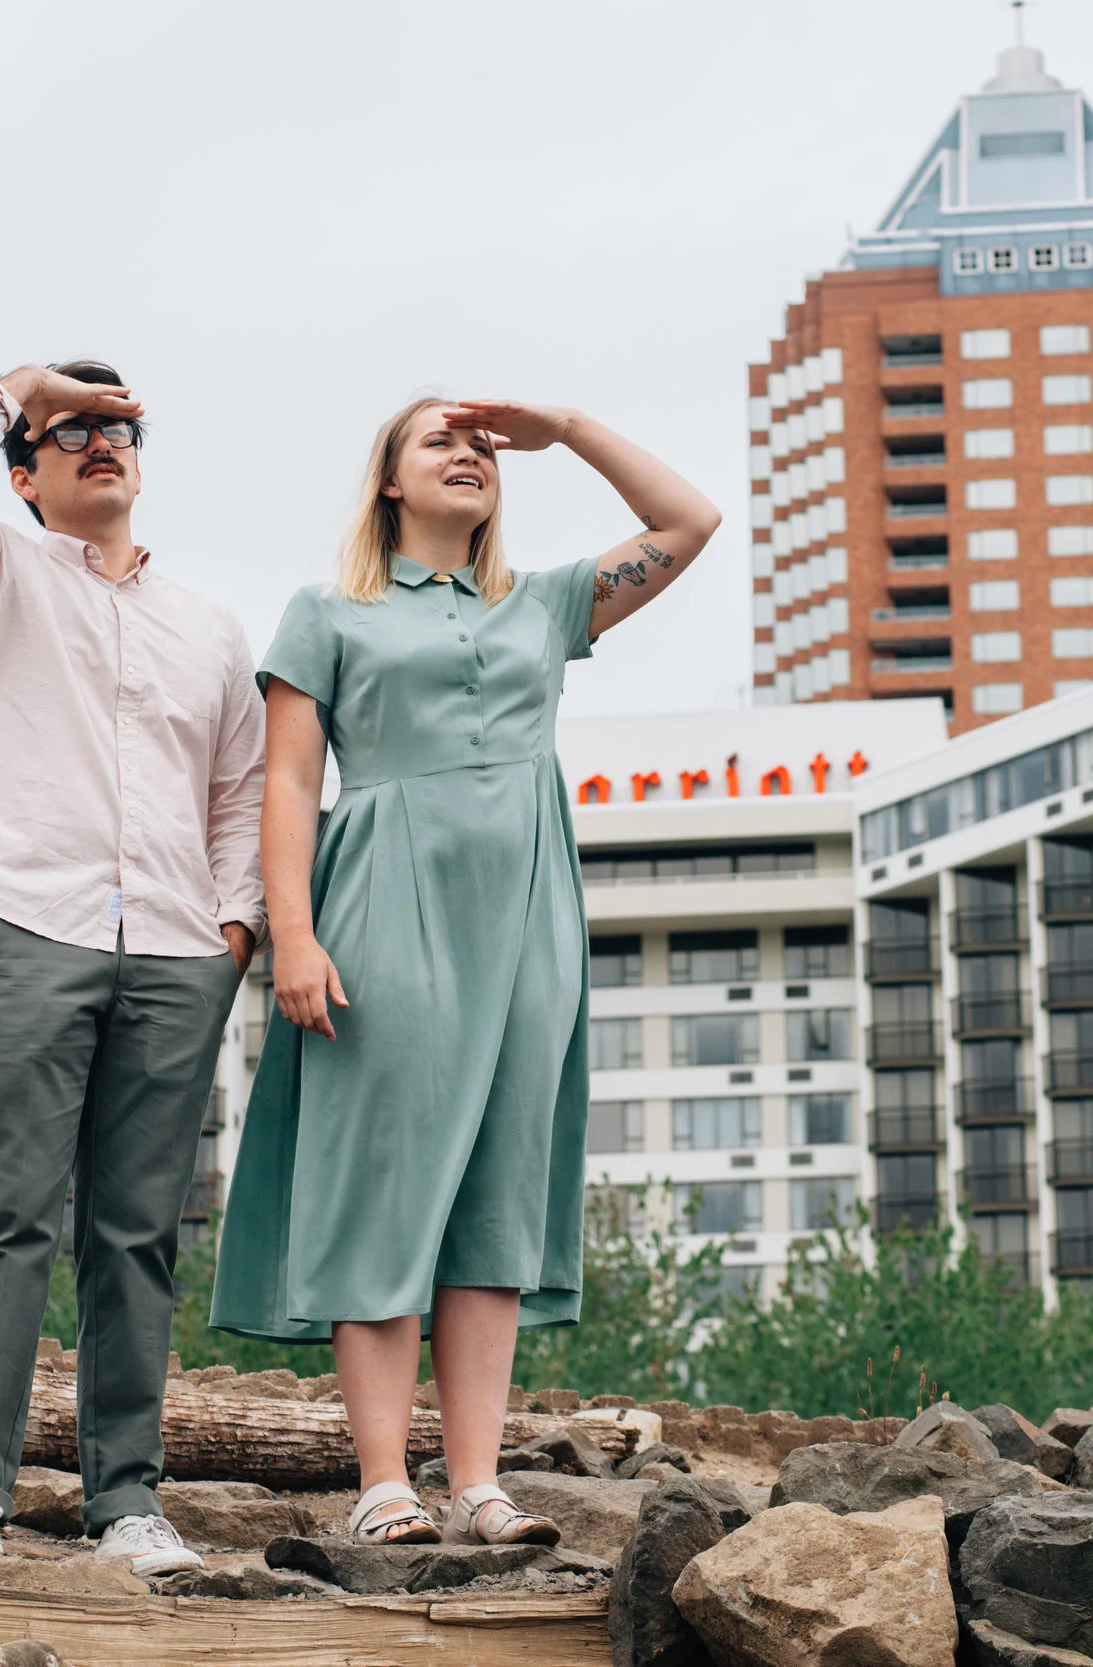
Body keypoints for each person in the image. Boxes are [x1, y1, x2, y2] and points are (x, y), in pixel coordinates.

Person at [211, 397, 719, 1545]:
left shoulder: (540, 602)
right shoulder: (329, 609)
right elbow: (288, 783)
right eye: (438, 441)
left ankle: (479, 1481)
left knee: (496, 1195)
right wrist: (294, 934)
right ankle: (386, 1479)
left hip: (529, 916)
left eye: (481, 446)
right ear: (387, 478)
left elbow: (689, 520)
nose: (467, 455)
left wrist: (567, 425)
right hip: (386, 898)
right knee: (383, 1180)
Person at [0, 363, 264, 1575]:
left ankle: (127, 1504)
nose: (102, 441)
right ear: (26, 471)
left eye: (119, 425)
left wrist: (233, 933)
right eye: (71, 430)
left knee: (136, 1233)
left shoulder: (210, 625)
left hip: (175, 948)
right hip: (26, 916)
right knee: (7, 1212)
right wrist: (20, 383)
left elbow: (241, 791)